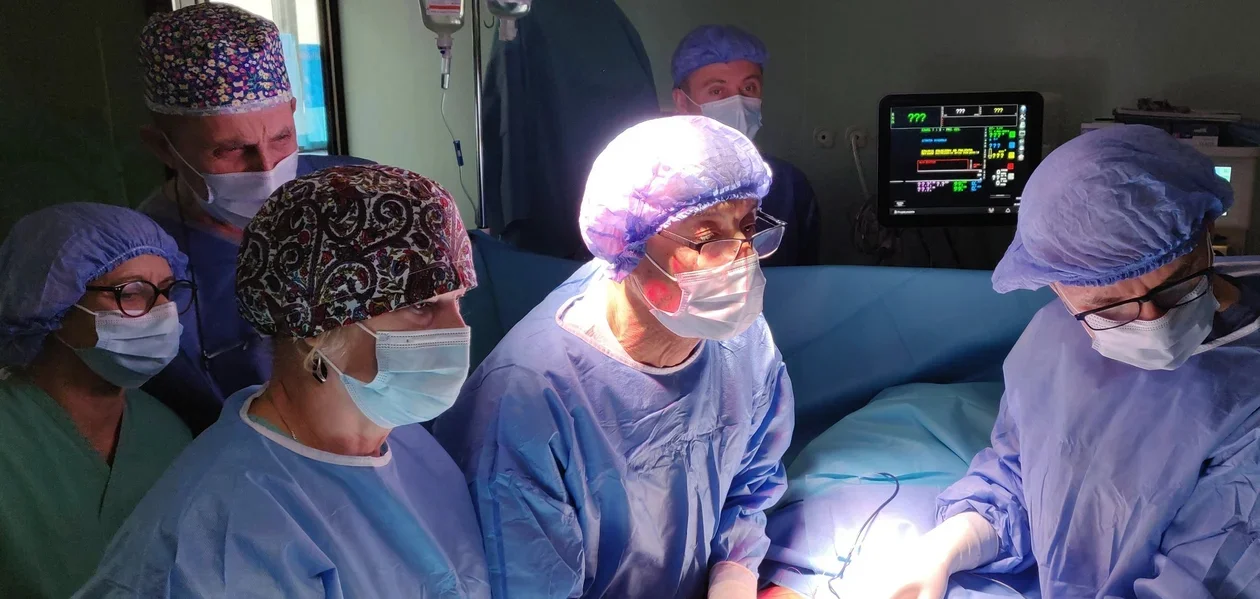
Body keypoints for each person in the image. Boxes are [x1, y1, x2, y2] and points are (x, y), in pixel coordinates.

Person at [877, 125, 1260, 598]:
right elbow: (1024, 476)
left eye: (1176, 283)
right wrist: (947, 547)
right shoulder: (1054, 336)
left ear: (1207, 233)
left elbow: (1216, 573)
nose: (1153, 320)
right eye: (1109, 305)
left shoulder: (1246, 401)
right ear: (1055, 284)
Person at [75, 165, 490, 598]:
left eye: (458, 300)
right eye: (422, 305)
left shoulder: (406, 444)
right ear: (314, 322)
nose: (458, 330)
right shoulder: (227, 540)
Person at [434, 116, 794, 599]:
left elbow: (750, 484)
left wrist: (733, 579)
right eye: (708, 237)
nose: (740, 259)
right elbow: (526, 578)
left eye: (748, 228)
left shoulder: (740, 339)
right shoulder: (529, 398)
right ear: (629, 242)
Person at [135, 3, 372, 432]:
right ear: (162, 148)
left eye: (281, 138)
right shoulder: (145, 266)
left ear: (294, 111)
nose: (266, 168)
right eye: (229, 150)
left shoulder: (362, 194)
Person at [0, 203, 193, 599]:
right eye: (132, 293)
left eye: (168, 291)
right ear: (54, 302)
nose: (165, 313)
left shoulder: (166, 434)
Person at [670, 25, 820, 267]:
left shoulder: (790, 185)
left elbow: (806, 277)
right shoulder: (660, 190)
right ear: (682, 102)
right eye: (717, 91)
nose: (737, 103)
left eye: (748, 88)